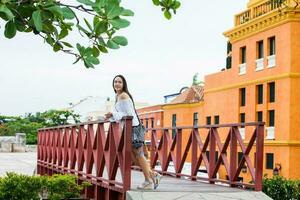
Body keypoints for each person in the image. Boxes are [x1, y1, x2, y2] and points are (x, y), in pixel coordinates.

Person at [105, 75, 162, 190]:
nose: (117, 84)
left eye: (119, 82)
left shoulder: (123, 96)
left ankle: (148, 180)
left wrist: (112, 114)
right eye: (115, 82)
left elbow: (128, 114)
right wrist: (112, 115)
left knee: (139, 155)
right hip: (128, 128)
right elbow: (121, 114)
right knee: (135, 157)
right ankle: (153, 175)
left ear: (123, 84)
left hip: (133, 128)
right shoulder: (118, 96)